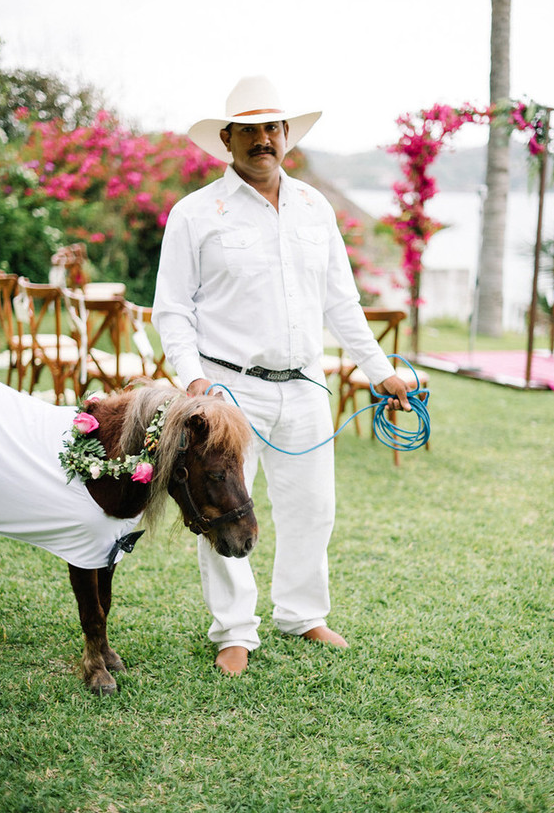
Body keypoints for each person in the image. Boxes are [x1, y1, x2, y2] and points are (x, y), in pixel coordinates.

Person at [152, 75, 411, 676]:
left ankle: (301, 614)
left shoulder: (316, 207)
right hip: (226, 389)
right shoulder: (195, 213)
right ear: (228, 138)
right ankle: (234, 632)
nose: (263, 139)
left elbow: (341, 303)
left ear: (287, 135)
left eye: (272, 127)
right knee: (224, 507)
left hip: (305, 386)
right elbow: (172, 310)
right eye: (250, 129)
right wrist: (195, 384)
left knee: (313, 507)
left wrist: (380, 371)